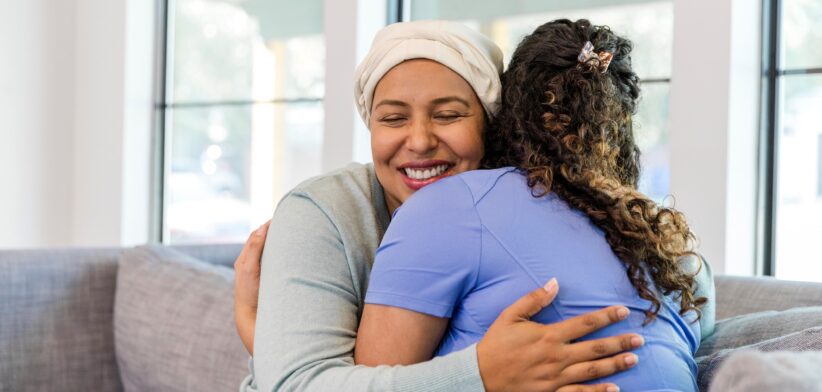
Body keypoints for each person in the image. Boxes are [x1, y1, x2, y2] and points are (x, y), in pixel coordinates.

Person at [234, 20, 711, 392]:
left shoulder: (504, 208)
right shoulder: (322, 212)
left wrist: (258, 334)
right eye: (393, 118)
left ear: (494, 125)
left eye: (449, 115)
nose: (419, 141)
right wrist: (480, 374)